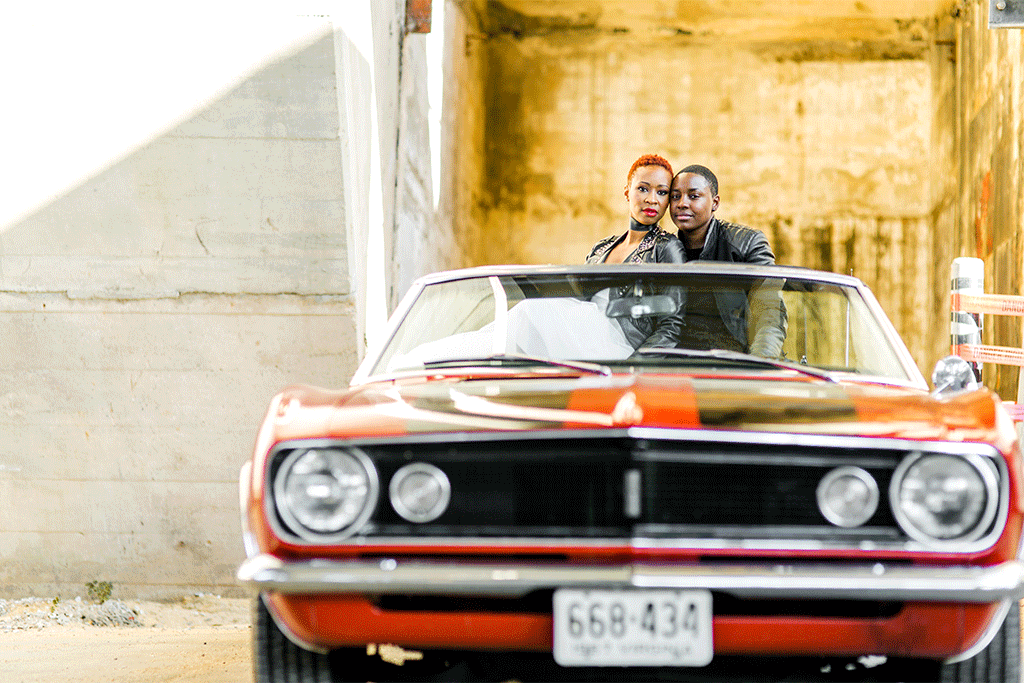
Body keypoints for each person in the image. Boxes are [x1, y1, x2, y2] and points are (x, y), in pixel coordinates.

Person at [669, 164, 786, 357]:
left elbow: (770, 312)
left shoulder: (746, 243)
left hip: (736, 363)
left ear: (715, 203)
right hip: (678, 366)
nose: (682, 203)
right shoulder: (664, 250)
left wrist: (759, 362)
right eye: (675, 196)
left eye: (693, 196)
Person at [586, 153, 684, 350]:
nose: (652, 199)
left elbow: (672, 326)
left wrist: (636, 365)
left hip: (624, 354)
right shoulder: (600, 248)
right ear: (627, 192)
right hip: (583, 348)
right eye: (643, 189)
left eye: (662, 192)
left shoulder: (667, 247)